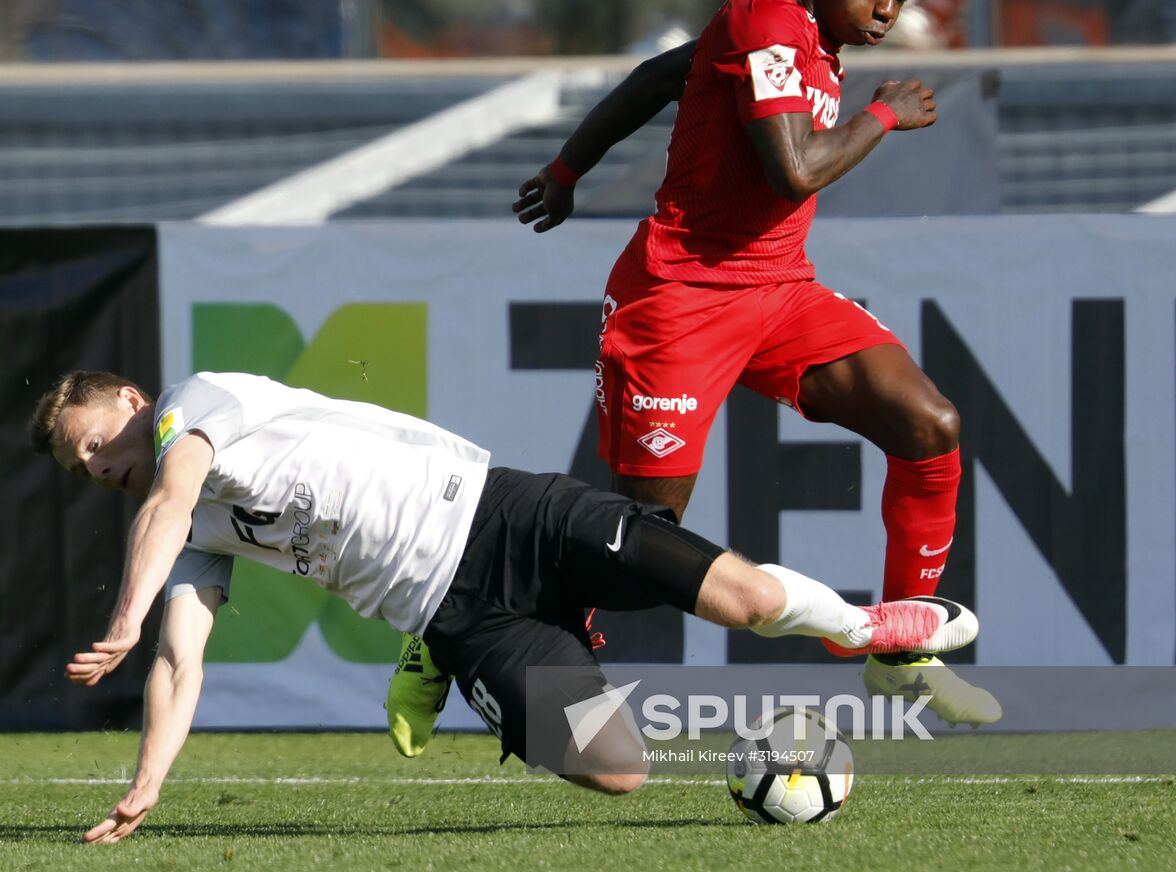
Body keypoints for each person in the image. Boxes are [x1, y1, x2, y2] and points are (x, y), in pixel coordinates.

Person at [31, 369, 978, 843]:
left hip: (508, 515)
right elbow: (177, 659)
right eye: (79, 467)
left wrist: (119, 616)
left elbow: (165, 494)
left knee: (748, 597)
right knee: (619, 773)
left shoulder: (193, 410)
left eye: (91, 442)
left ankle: (868, 627)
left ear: (128, 400)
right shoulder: (189, 534)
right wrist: (151, 775)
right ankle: (435, 658)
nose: (93, 467)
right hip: (460, 614)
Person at [511, 0, 1001, 728]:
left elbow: (657, 79)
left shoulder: (811, 35)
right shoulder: (767, 24)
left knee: (931, 426)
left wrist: (566, 170)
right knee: (644, 549)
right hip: (680, 299)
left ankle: (898, 654)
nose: (886, 9)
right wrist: (884, 113)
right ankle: (476, 621)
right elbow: (794, 171)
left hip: (777, 289)